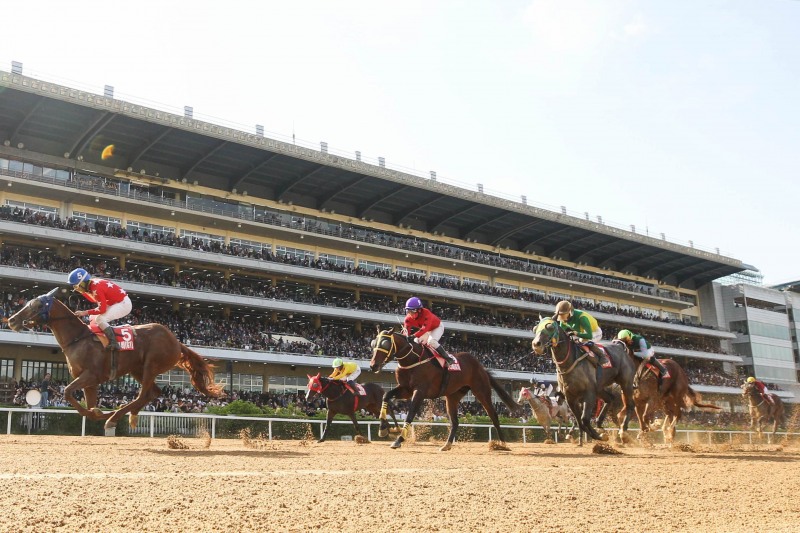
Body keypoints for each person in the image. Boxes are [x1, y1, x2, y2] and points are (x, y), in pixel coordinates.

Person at [67, 267, 132, 352]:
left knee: (100, 319)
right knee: (93, 318)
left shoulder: (96, 288)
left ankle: (114, 343)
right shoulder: (93, 284)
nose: (76, 289)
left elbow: (102, 309)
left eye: (76, 286)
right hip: (117, 302)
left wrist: (84, 312)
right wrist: (83, 292)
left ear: (82, 283)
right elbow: (93, 300)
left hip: (123, 304)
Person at [554, 300, 611, 368]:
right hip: (580, 332)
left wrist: (576, 334)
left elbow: (589, 336)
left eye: (563, 315)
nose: (561, 318)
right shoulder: (563, 319)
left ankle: (603, 356)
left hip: (594, 332)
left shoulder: (582, 318)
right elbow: (563, 333)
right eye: (560, 315)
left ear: (570, 312)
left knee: (583, 341)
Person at [403, 296, 457, 366]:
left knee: (431, 341)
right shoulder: (408, 319)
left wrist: (413, 336)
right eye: (408, 311)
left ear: (419, 310)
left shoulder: (427, 314)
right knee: (416, 341)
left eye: (412, 311)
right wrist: (406, 337)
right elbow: (405, 332)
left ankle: (448, 358)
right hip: (427, 331)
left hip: (437, 327)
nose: (410, 314)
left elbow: (424, 329)